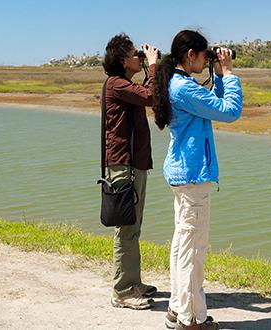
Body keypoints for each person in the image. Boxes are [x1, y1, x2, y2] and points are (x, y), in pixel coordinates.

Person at [152, 30, 243, 330]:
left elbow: (211, 104)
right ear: (191, 55)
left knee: (183, 243)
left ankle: (178, 308)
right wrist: (228, 73)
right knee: (194, 249)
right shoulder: (184, 88)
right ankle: (191, 319)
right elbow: (230, 111)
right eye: (205, 56)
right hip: (193, 175)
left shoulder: (178, 83)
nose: (207, 61)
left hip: (183, 173)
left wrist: (217, 77)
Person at [101, 33, 160, 310]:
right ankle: (122, 291)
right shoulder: (116, 84)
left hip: (131, 164)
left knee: (132, 227)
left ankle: (132, 282)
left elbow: (147, 94)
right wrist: (154, 64)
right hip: (123, 165)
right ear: (124, 60)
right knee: (126, 229)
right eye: (136, 54)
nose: (139, 57)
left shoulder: (124, 84)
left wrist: (150, 67)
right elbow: (150, 96)